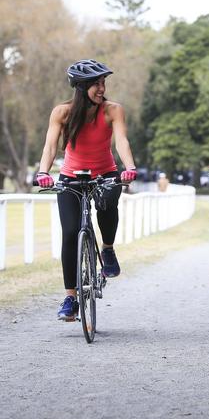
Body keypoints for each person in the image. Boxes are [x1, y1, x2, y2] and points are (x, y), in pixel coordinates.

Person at [35, 59, 137, 321]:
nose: (102, 88)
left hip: (105, 173)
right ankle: (70, 297)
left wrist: (129, 167)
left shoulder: (112, 110)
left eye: (103, 83)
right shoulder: (62, 113)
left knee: (107, 203)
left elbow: (122, 141)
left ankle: (108, 248)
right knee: (70, 233)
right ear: (80, 88)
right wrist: (44, 172)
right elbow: (49, 146)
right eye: (96, 84)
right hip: (71, 177)